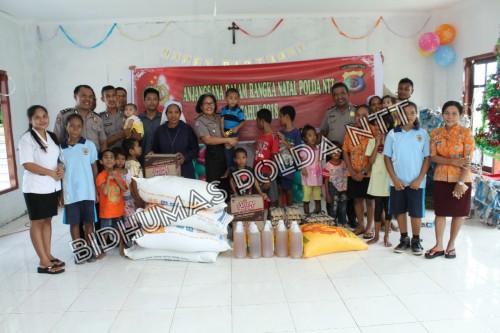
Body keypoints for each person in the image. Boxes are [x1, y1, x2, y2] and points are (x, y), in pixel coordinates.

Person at [19, 105, 65, 274]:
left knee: (47, 220)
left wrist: (59, 168)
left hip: (52, 186)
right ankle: (43, 262)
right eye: (37, 117)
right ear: (30, 121)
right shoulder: (26, 139)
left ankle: (48, 254)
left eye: (44, 116)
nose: (42, 119)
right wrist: (50, 173)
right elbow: (28, 164)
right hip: (35, 187)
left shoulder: (51, 135)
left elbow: (58, 157)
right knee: (37, 222)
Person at [426, 101, 475, 259]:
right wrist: (454, 161)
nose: (450, 116)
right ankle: (439, 245)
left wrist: (460, 182)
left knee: (458, 213)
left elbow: (467, 160)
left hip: (461, 180)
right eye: (447, 113)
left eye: (454, 113)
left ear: (460, 116)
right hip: (441, 177)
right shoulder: (436, 133)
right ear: (443, 114)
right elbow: (433, 157)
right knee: (440, 212)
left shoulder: (466, 133)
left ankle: (451, 245)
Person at [384, 101, 430, 255]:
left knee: (416, 212)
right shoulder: (392, 134)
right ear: (398, 115)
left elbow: (427, 159)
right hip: (397, 182)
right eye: (405, 113)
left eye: (412, 112)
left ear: (416, 114)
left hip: (417, 183)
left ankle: (416, 240)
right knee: (400, 211)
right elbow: (387, 158)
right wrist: (395, 180)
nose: (409, 116)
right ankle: (404, 239)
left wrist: (419, 179)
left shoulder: (422, 134)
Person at [60, 113, 99, 263]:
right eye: (72, 126)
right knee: (74, 223)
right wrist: (61, 194)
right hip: (71, 194)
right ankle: (79, 251)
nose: (75, 129)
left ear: (82, 128)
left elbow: (94, 166)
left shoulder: (88, 145)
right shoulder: (61, 149)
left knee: (89, 223)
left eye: (78, 126)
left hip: (88, 192)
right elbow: (60, 171)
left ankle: (89, 249)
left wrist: (96, 190)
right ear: (66, 127)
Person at [319, 82, 357, 227]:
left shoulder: (355, 111)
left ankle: (351, 217)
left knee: (350, 189)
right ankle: (332, 218)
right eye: (335, 94)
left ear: (348, 94)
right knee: (333, 189)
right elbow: (323, 131)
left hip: (351, 156)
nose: (339, 97)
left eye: (342, 93)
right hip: (333, 156)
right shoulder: (329, 113)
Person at [342, 105, 375, 237]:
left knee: (369, 200)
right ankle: (361, 226)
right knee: (356, 200)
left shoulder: (374, 131)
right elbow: (345, 151)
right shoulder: (350, 131)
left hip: (369, 173)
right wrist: (351, 170)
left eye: (364, 115)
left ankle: (369, 228)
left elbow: (375, 154)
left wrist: (363, 172)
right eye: (358, 115)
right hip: (353, 172)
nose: (361, 118)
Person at [193, 93, 237, 183]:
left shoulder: (220, 116)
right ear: (201, 106)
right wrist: (228, 140)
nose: (209, 106)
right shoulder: (199, 121)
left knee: (229, 183)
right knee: (215, 185)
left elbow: (227, 131)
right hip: (214, 155)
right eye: (206, 103)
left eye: (211, 103)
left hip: (227, 151)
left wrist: (232, 133)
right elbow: (208, 140)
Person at [365, 115, 395, 247]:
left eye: (380, 125)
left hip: (389, 179)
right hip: (377, 179)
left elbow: (394, 159)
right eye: (375, 125)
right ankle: (376, 236)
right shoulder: (371, 141)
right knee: (378, 208)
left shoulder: (393, 140)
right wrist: (377, 143)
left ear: (387, 125)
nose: (377, 128)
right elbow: (370, 162)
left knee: (388, 210)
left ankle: (386, 237)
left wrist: (385, 142)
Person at [151, 101, 199, 179]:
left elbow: (195, 148)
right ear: (166, 114)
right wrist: (152, 155)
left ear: (180, 114)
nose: (173, 115)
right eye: (170, 112)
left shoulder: (187, 129)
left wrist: (185, 157)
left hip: (185, 169)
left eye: (176, 112)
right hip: (165, 171)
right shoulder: (160, 130)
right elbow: (155, 150)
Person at [54, 85, 107, 152]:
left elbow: (103, 142)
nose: (87, 99)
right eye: (84, 96)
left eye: (90, 96)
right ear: (75, 97)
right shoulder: (64, 115)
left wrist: (102, 159)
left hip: (95, 159)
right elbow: (57, 140)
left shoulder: (97, 118)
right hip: (74, 158)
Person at [96, 149, 128, 259]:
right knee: (105, 230)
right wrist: (109, 179)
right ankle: (103, 250)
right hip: (106, 210)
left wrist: (116, 178)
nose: (109, 159)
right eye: (106, 157)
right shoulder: (101, 176)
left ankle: (121, 247)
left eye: (111, 157)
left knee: (120, 229)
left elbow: (124, 189)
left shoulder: (117, 175)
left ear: (114, 162)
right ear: (101, 161)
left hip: (118, 209)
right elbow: (105, 192)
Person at [254, 108, 280, 208]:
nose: (256, 123)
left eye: (257, 121)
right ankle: (259, 223)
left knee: (272, 200)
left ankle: (272, 221)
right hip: (257, 172)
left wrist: (268, 178)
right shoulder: (261, 134)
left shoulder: (274, 136)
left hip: (268, 174)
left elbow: (274, 158)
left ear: (262, 121)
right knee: (257, 200)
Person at [277, 105, 302, 206]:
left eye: (280, 116)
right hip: (279, 167)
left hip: (289, 167)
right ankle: (279, 216)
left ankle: (290, 214)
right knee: (279, 190)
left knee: (288, 190)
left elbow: (297, 152)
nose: (279, 119)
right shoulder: (280, 132)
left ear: (286, 117)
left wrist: (284, 141)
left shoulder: (296, 133)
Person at [220, 88, 246, 175]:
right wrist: (222, 131)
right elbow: (222, 120)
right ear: (226, 98)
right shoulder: (224, 109)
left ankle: (229, 169)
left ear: (238, 99)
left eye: (235, 98)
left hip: (234, 132)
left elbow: (242, 121)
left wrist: (237, 127)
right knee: (227, 150)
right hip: (227, 132)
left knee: (229, 148)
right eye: (230, 98)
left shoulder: (239, 111)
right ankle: (231, 168)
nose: (233, 100)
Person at [323, 143, 348, 226]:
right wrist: (327, 194)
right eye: (333, 151)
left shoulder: (344, 163)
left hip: (344, 189)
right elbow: (326, 180)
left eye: (338, 151)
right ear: (329, 154)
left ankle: (343, 222)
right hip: (333, 189)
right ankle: (332, 223)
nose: (336, 153)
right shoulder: (327, 165)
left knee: (343, 207)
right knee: (333, 207)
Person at [301, 125, 323, 215]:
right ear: (305, 138)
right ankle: (307, 216)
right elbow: (298, 159)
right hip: (307, 180)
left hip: (317, 180)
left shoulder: (319, 149)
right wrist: (302, 168)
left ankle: (318, 214)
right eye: (309, 135)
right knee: (306, 199)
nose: (313, 137)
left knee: (318, 199)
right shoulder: (304, 149)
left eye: (314, 135)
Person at [139, 87, 162, 162]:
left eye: (155, 99)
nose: (152, 102)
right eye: (149, 99)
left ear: (158, 101)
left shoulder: (164, 119)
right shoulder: (137, 120)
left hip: (161, 161)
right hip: (141, 161)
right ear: (144, 101)